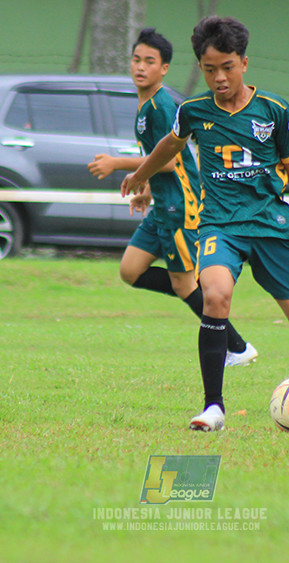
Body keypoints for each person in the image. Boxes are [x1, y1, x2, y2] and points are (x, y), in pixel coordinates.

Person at [122, 16, 289, 431]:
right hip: (219, 226)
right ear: (201, 67)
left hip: (272, 227)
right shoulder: (192, 112)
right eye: (210, 69)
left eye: (227, 67)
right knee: (214, 296)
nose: (219, 77)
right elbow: (170, 144)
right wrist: (142, 173)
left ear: (244, 63)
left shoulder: (275, 110)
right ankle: (213, 407)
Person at [88, 27, 257, 367]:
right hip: (162, 205)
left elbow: (174, 159)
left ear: (164, 68)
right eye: (136, 60)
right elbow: (160, 161)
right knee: (130, 270)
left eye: (149, 62)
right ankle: (193, 288)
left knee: (183, 284)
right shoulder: (145, 104)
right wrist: (147, 189)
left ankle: (237, 347)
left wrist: (118, 163)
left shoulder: (162, 106)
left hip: (181, 207)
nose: (140, 67)